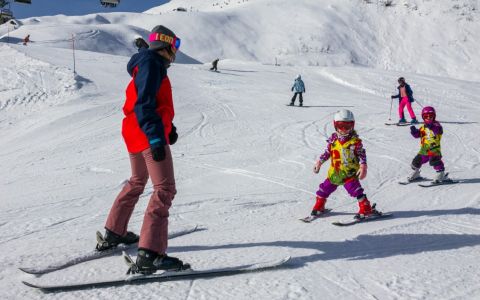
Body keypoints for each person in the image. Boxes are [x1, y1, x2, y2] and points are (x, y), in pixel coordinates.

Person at [96, 25, 187, 274]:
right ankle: (152, 254)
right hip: (147, 134)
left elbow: (151, 102)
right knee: (164, 188)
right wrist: (157, 138)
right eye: (175, 46)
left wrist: (168, 128)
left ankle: (115, 231)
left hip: (135, 132)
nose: (176, 53)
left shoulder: (145, 63)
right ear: (165, 45)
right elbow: (144, 104)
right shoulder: (152, 64)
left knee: (137, 180)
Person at [311, 109, 377, 219]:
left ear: (353, 125)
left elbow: (362, 154)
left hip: (349, 174)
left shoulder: (354, 142)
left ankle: (366, 208)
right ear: (335, 125)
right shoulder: (333, 140)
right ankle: (320, 205)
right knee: (324, 189)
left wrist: (363, 166)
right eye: (340, 126)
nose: (344, 130)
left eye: (347, 126)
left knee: (355, 190)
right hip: (335, 173)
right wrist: (319, 162)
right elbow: (328, 152)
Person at [407, 106, 449, 183]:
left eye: (431, 116)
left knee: (434, 161)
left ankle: (441, 174)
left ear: (434, 116)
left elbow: (438, 131)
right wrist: (414, 132)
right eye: (426, 116)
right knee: (416, 162)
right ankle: (416, 173)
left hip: (434, 149)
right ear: (423, 117)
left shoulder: (436, 125)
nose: (428, 118)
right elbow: (418, 135)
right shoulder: (423, 127)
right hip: (424, 150)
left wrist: (431, 126)